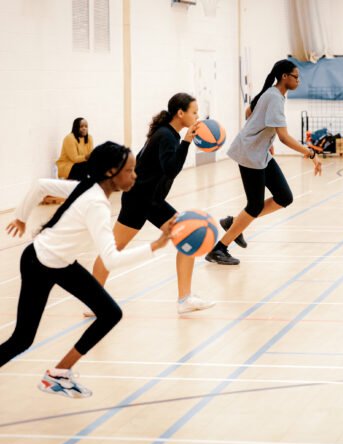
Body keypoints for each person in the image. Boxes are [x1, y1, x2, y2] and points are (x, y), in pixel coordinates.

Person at [2, 142, 172, 398]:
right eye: (129, 170)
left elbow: (41, 186)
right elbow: (111, 259)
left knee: (110, 313)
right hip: (39, 263)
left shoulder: (88, 187)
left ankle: (58, 374)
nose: (134, 175)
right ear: (111, 172)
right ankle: (58, 374)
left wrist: (21, 217)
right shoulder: (97, 205)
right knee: (22, 339)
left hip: (61, 262)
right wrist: (155, 246)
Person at [92, 93, 214, 315]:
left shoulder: (167, 134)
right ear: (180, 113)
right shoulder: (167, 136)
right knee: (113, 249)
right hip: (140, 200)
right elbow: (171, 168)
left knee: (187, 235)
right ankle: (93, 300)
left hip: (150, 200)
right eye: (194, 112)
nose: (197, 116)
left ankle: (185, 299)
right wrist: (187, 142)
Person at [205, 59, 322, 266]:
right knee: (255, 205)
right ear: (285, 77)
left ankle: (234, 223)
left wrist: (265, 140)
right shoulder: (274, 97)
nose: (299, 81)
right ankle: (219, 249)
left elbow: (249, 113)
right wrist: (310, 153)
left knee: (284, 197)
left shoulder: (272, 94)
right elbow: (284, 137)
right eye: (296, 76)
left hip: (260, 153)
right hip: (249, 154)